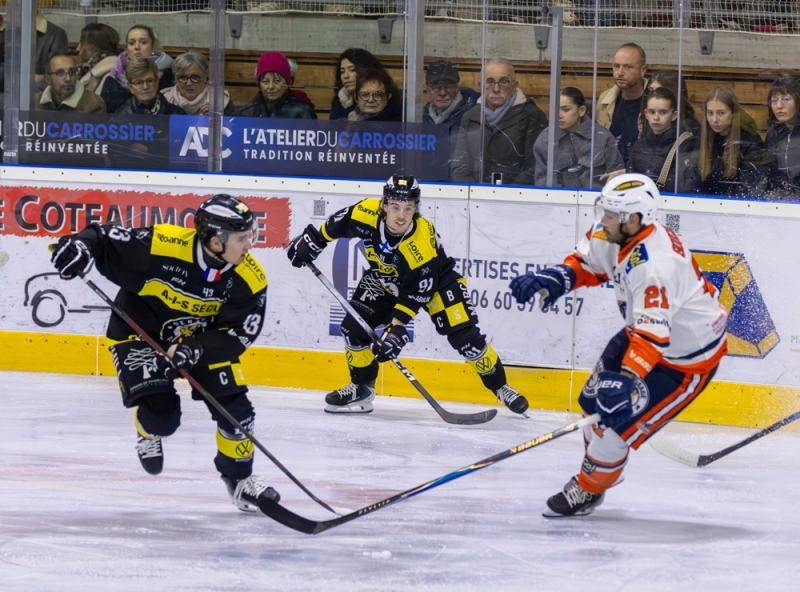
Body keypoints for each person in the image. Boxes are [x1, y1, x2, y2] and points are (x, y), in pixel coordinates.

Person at [509, 173, 728, 517]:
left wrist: (626, 379)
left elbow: (654, 338)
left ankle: (589, 487)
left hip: (686, 360)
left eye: (610, 214)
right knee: (592, 402)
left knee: (612, 429)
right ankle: (601, 469)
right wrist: (556, 279)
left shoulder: (656, 264)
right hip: (642, 335)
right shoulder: (616, 232)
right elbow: (588, 263)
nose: (602, 220)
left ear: (635, 219)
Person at [49, 195, 280, 514]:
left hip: (196, 342)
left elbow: (239, 335)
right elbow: (101, 236)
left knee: (238, 414)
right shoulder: (162, 246)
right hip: (138, 333)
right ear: (216, 240)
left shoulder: (249, 279)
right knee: (163, 416)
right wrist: (79, 247)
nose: (249, 245)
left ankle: (240, 481)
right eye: (242, 238)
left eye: (250, 235)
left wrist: (195, 348)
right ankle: (148, 432)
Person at [286, 175, 529, 416]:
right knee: (353, 328)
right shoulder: (365, 212)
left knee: (465, 338)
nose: (401, 215)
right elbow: (338, 223)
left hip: (437, 282)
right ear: (384, 205)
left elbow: (419, 291)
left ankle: (501, 387)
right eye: (395, 207)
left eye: (408, 208)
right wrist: (313, 241)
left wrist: (396, 329)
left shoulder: (420, 243)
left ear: (415, 209)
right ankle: (361, 389)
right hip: (386, 277)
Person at [451, 58, 547, 184]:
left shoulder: (532, 116)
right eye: (490, 82)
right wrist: (475, 194)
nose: (496, 89)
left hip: (514, 198)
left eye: (503, 82)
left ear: (514, 86)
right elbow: (460, 167)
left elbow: (534, 166)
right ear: (481, 86)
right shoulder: (469, 117)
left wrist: (506, 196)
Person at [533, 87, 623, 188]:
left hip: (596, 198)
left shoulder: (602, 137)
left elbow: (616, 173)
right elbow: (541, 179)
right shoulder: (545, 139)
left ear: (581, 110)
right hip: (558, 200)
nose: (559, 115)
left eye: (566, 109)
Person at [692, 85, 772, 197]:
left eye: (721, 113)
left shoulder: (749, 141)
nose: (714, 120)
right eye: (710, 113)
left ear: (733, 114)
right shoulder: (702, 137)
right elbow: (693, 181)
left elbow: (750, 189)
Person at [627, 87, 696, 193]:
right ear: (646, 114)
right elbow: (629, 181)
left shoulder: (686, 144)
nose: (656, 117)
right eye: (652, 112)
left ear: (674, 115)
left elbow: (684, 186)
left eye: (663, 112)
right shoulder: (640, 144)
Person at [101, 24, 175, 114]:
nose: (136, 47)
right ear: (127, 48)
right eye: (131, 43)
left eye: (143, 42)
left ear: (153, 46)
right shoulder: (114, 78)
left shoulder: (170, 75)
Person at [597, 43, 648, 164]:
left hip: (643, 171)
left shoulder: (655, 100)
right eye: (616, 66)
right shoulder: (605, 100)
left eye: (628, 67)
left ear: (643, 70)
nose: (620, 73)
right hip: (610, 171)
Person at [0, 10, 68, 92]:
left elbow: (57, 78)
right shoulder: (4, 32)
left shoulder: (55, 34)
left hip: (37, 98)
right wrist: (34, 77)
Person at [236, 51, 316, 119]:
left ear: (288, 82)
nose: (271, 86)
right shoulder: (246, 113)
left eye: (277, 81)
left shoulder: (302, 114)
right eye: (265, 81)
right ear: (259, 84)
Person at [330, 48, 401, 121]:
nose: (346, 76)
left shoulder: (390, 102)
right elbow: (332, 130)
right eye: (342, 71)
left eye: (352, 70)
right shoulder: (339, 100)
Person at [422, 60, 479, 148]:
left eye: (448, 86)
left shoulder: (473, 114)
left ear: (457, 86)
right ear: (427, 88)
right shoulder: (422, 116)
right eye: (436, 87)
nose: (442, 93)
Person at [161, 51, 235, 116]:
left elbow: (232, 128)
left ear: (205, 77)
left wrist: (216, 117)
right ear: (176, 79)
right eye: (183, 78)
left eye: (195, 77)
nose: (189, 83)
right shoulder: (163, 100)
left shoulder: (220, 101)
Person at [764, 76, 800, 196]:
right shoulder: (773, 134)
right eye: (774, 100)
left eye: (786, 99)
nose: (779, 105)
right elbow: (770, 173)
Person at [35, 54, 106, 114]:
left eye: (72, 72)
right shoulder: (35, 101)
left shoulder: (94, 104)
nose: (68, 79)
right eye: (60, 73)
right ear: (47, 79)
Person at [117, 57, 186, 115]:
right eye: (139, 83)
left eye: (149, 81)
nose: (145, 87)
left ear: (157, 82)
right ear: (130, 87)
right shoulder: (121, 118)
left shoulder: (177, 114)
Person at [642, 71, 701, 137]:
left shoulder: (689, 127)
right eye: (650, 90)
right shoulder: (649, 120)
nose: (652, 95)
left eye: (658, 91)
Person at [76, 23, 121, 94]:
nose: (77, 48)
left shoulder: (110, 79)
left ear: (96, 51)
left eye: (82, 43)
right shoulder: (86, 70)